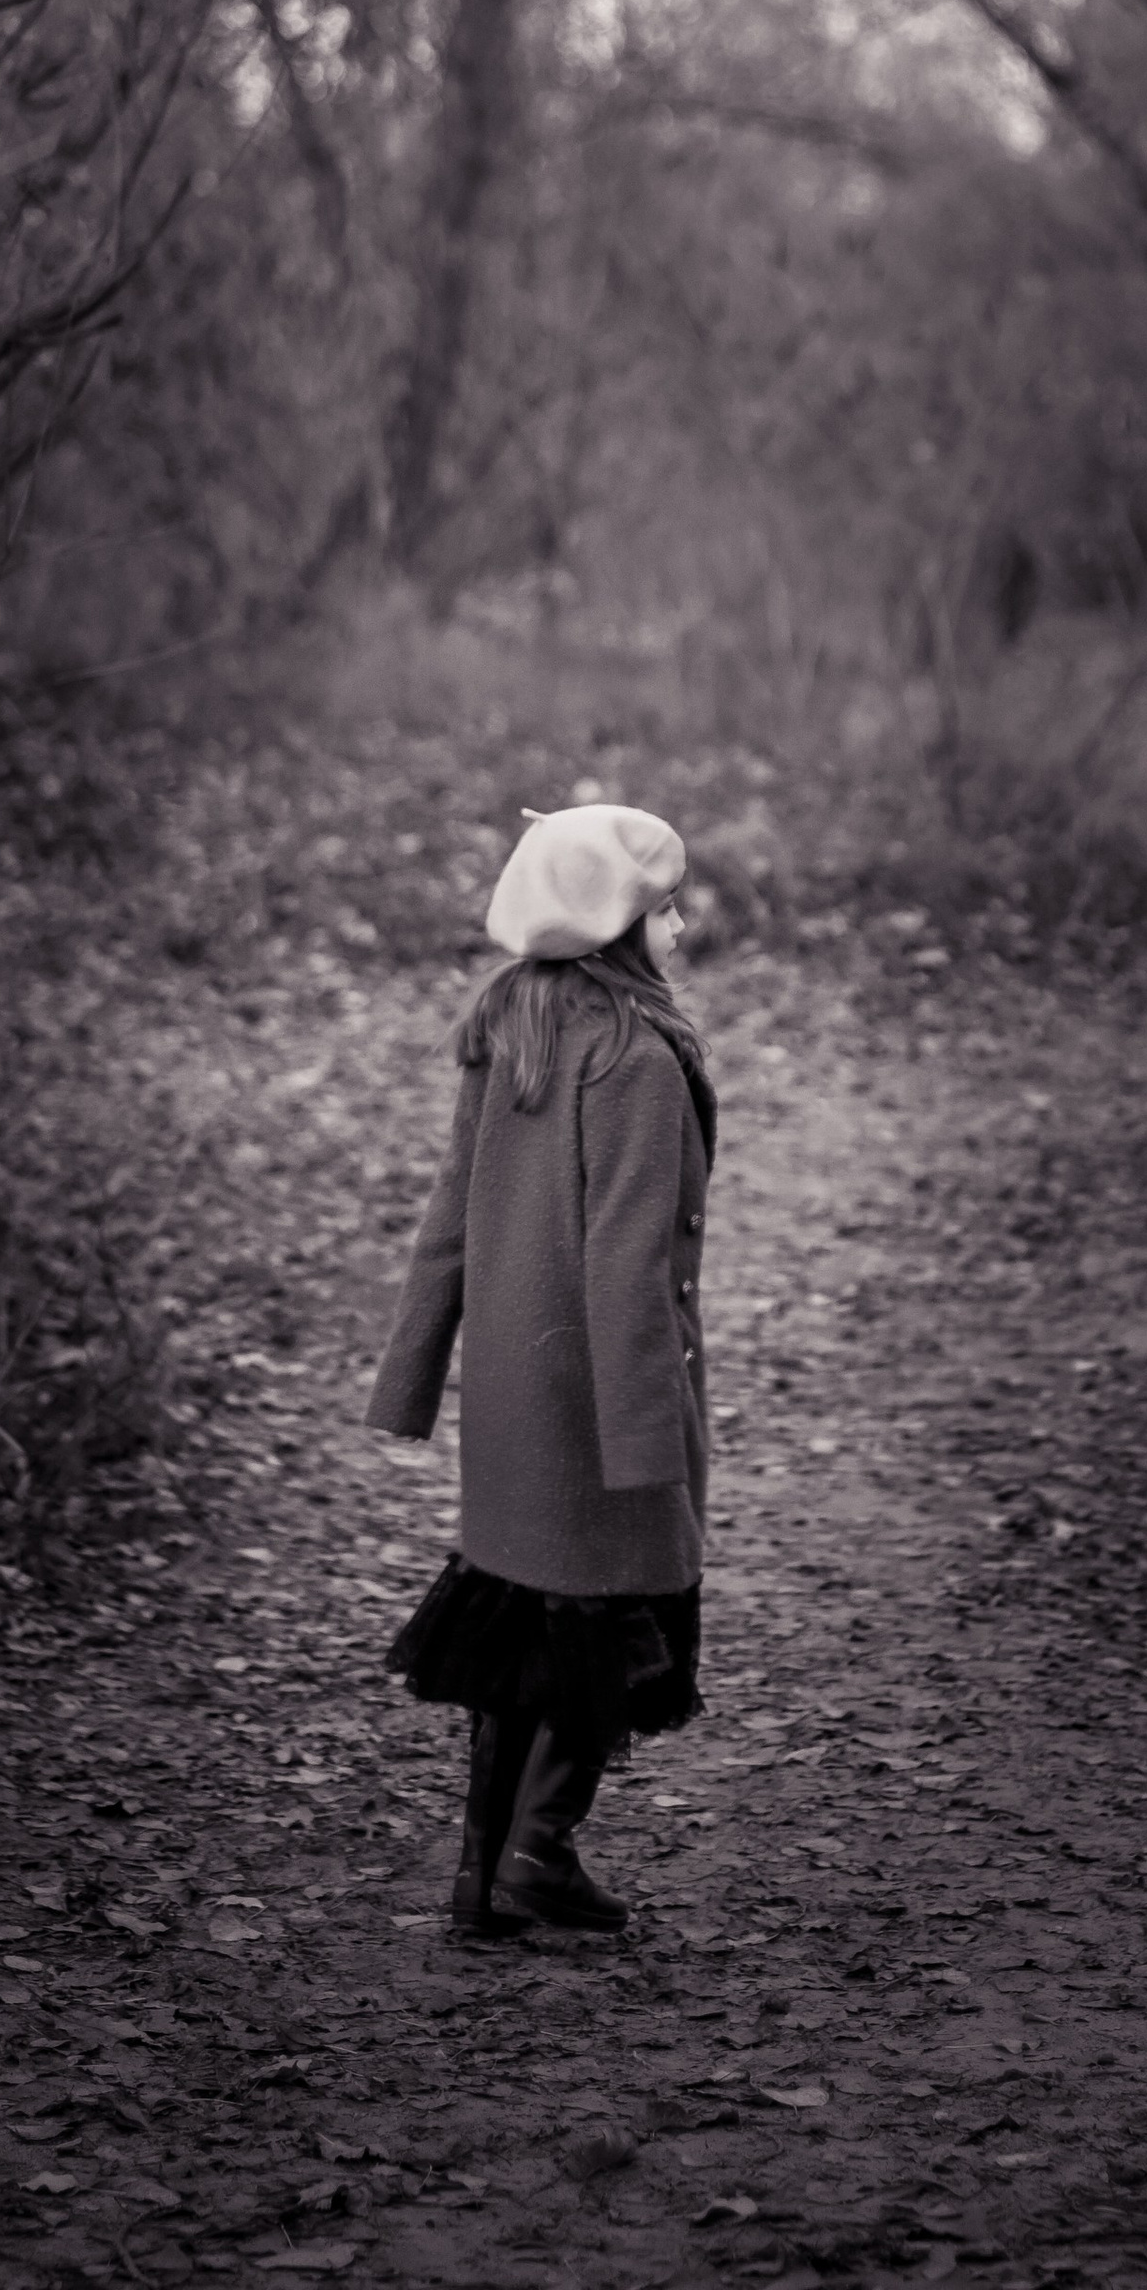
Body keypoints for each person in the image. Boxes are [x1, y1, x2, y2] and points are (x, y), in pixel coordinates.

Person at [366, 798, 716, 1938]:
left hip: (518, 1388)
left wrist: (413, 1377)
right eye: (668, 910)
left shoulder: (511, 1019)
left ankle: (479, 1878)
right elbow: (623, 1263)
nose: (683, 928)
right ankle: (536, 1855)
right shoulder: (638, 1060)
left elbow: (448, 1222)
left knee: (523, 1622)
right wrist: (643, 1439)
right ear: (617, 925)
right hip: (600, 1392)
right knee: (612, 1617)